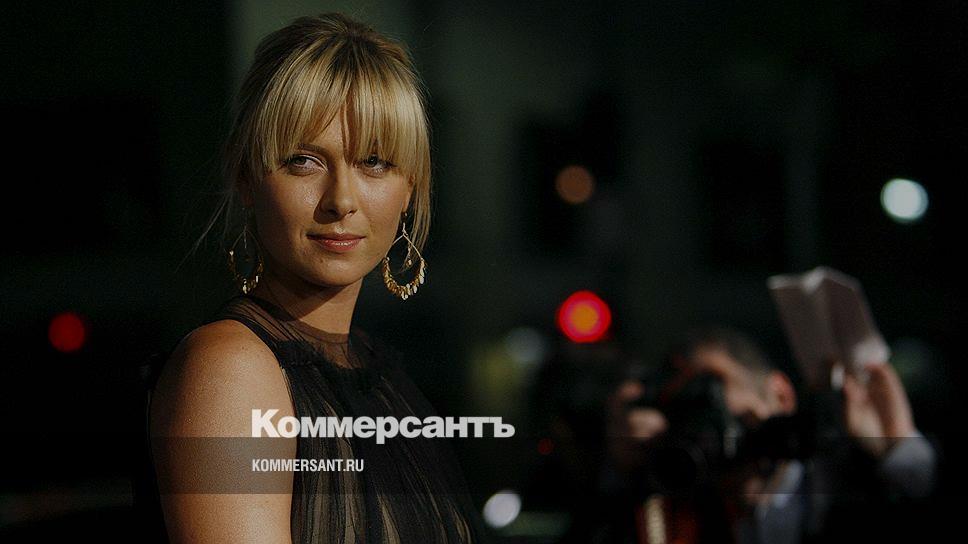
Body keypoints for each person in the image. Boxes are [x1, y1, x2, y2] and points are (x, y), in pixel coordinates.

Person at [145, 13, 489, 544]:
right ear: (247, 178)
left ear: (411, 186)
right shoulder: (231, 369)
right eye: (303, 161)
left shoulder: (380, 375)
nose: (342, 200)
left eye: (374, 161)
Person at [602, 326, 937, 544]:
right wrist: (623, 476)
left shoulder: (850, 489)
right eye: (683, 400)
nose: (698, 415)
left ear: (780, 395)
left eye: (712, 388)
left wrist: (901, 455)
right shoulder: (671, 517)